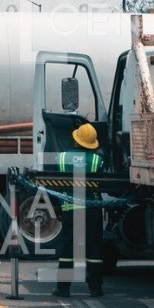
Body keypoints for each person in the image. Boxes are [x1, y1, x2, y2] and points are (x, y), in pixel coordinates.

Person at [52, 122, 105, 298]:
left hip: (70, 210)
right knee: (94, 250)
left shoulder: (62, 158)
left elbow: (52, 185)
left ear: (76, 141)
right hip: (92, 210)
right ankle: (96, 289)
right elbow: (103, 184)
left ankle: (63, 288)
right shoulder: (97, 159)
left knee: (68, 249)